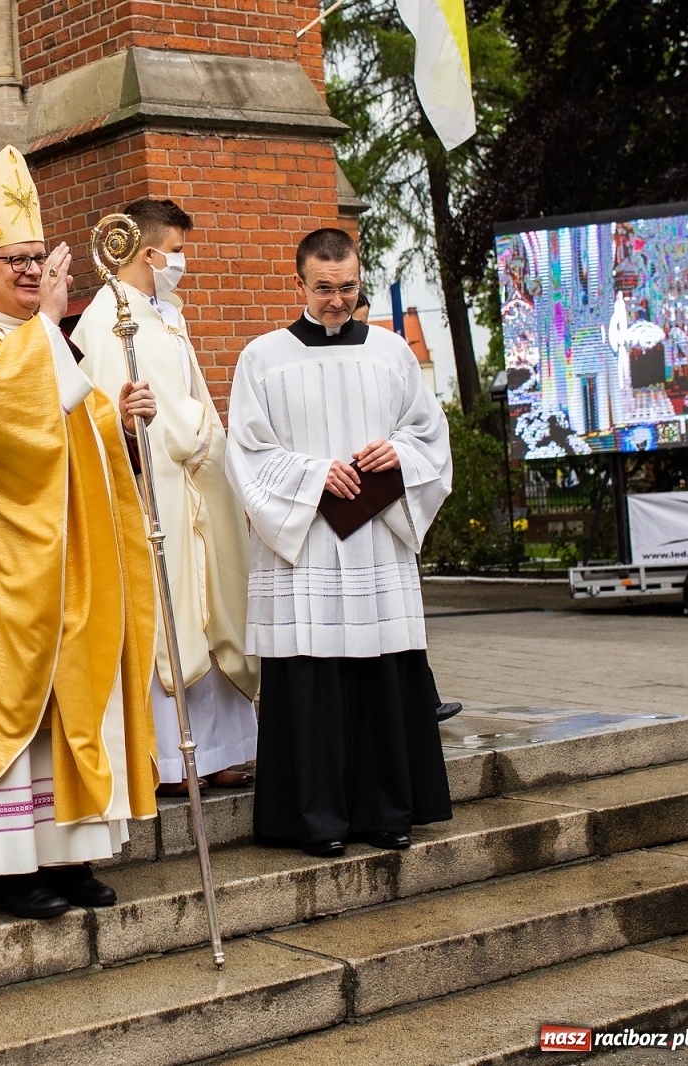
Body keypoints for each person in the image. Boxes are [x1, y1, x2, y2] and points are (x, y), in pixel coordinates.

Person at [0, 145, 162, 920]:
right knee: (9, 707)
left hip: (65, 559)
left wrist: (119, 421)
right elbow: (3, 427)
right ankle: (6, 864)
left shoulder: (37, 337)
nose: (26, 273)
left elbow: (73, 432)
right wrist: (48, 324)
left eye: (34, 259)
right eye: (11, 261)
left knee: (70, 702)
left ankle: (67, 851)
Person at [225, 227, 453, 859]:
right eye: (323, 288)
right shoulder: (262, 357)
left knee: (382, 674)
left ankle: (387, 812)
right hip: (307, 546)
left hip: (377, 542)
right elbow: (245, 451)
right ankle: (315, 819)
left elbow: (429, 437)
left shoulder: (391, 352)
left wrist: (398, 451)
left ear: (360, 280)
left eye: (347, 287)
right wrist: (312, 473)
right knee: (311, 680)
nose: (336, 300)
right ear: (298, 283)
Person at [73, 198, 260, 798]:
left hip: (197, 484)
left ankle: (222, 750)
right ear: (146, 251)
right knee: (169, 616)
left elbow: (191, 393)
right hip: (153, 490)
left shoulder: (167, 312)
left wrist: (209, 441)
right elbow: (107, 410)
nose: (182, 262)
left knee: (211, 606)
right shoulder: (107, 323)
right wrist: (185, 435)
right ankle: (175, 759)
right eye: (175, 251)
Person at [350, 292, 464, 723]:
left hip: (387, 505)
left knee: (401, 618)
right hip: (344, 505)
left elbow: (424, 427)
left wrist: (399, 450)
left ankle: (421, 696)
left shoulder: (388, 358)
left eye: (362, 318)